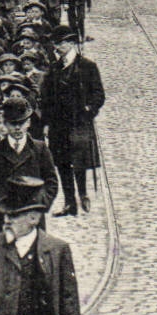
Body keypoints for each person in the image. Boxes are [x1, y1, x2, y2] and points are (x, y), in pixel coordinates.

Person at [37, 28, 105, 219]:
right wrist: (46, 121)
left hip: (78, 122)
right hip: (58, 124)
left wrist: (89, 110)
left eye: (62, 43)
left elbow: (98, 94)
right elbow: (46, 96)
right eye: (57, 44)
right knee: (61, 163)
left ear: (71, 44)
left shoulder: (87, 66)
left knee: (79, 160)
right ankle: (69, 203)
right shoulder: (54, 68)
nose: (59, 47)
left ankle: (82, 193)